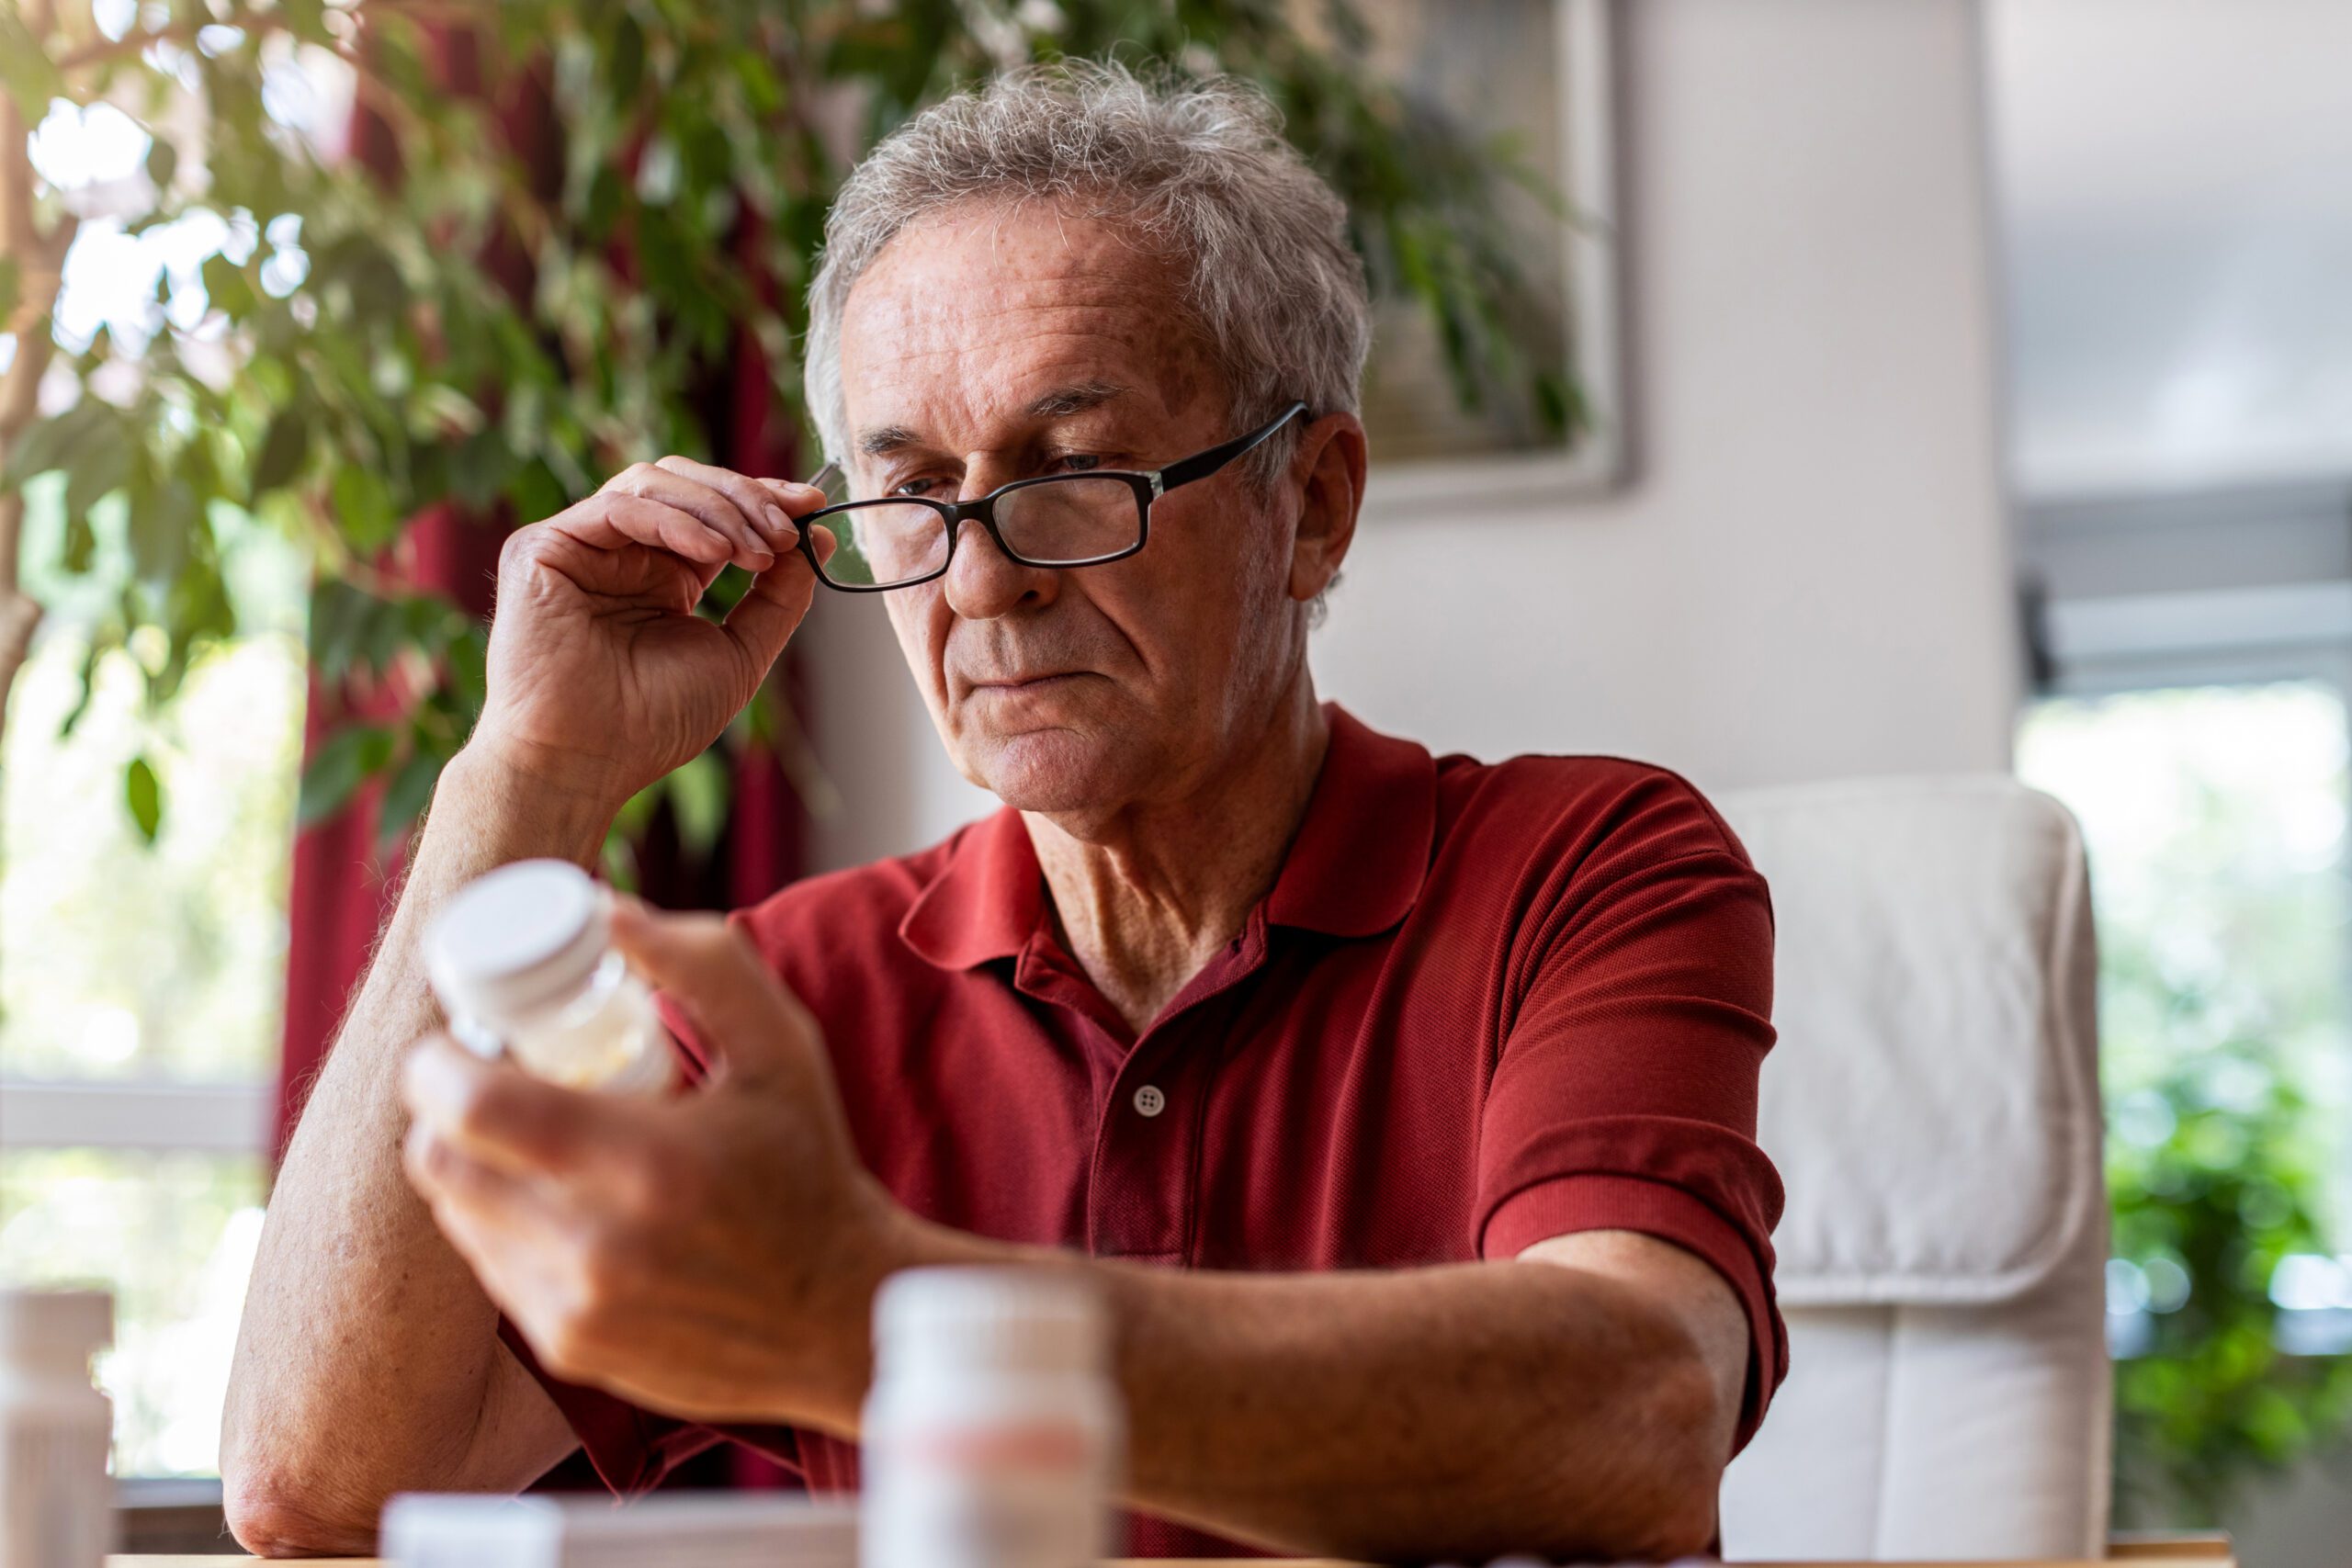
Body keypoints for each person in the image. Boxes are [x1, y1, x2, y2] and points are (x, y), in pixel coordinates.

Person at [222, 62, 1786, 1562]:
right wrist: (530, 773)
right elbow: (323, 1486)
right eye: (911, 494)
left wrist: (864, 1306)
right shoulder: (784, 998)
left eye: (1078, 471)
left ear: (1311, 506)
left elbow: (1637, 1415)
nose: (980, 578)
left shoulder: (1588, 870)